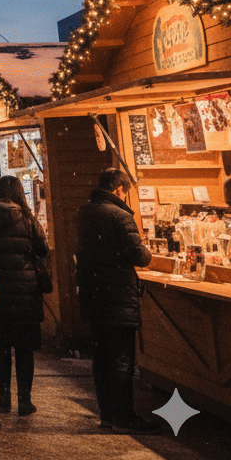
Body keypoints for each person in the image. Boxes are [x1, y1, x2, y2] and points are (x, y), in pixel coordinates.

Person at [74, 168, 156, 433]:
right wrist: (147, 251)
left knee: (101, 357)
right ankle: (124, 416)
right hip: (118, 297)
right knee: (121, 359)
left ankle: (107, 414)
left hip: (93, 294)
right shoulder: (120, 216)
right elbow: (138, 256)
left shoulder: (83, 213)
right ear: (120, 190)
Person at [0, 175, 49, 415]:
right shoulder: (28, 219)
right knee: (25, 349)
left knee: (2, 345)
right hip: (26, 292)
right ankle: (24, 399)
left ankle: (4, 395)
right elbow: (42, 249)